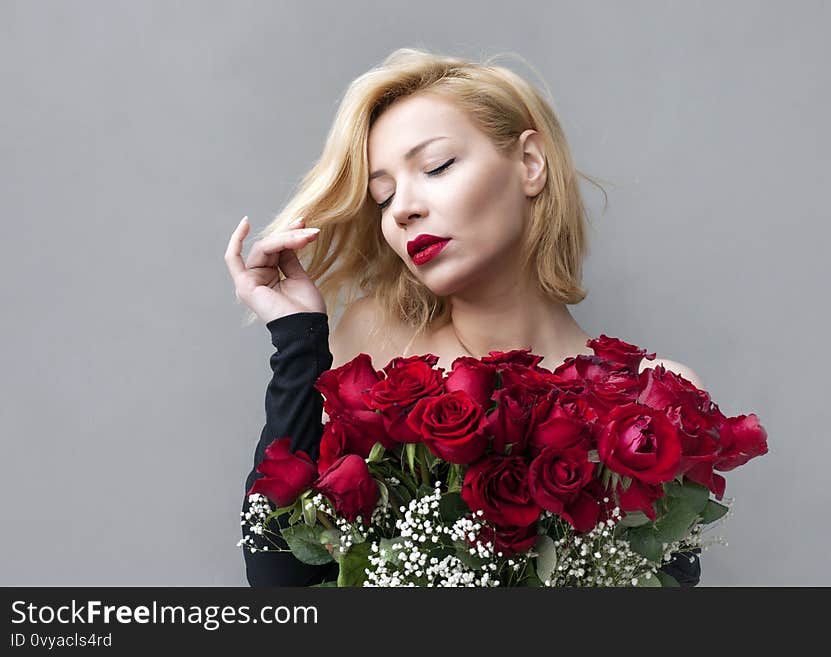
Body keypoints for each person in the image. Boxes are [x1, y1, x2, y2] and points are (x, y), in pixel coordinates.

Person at [224, 48, 702, 586]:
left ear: (529, 164)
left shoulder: (653, 400)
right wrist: (297, 340)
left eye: (437, 166)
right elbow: (277, 579)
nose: (403, 208)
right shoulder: (374, 347)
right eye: (384, 197)